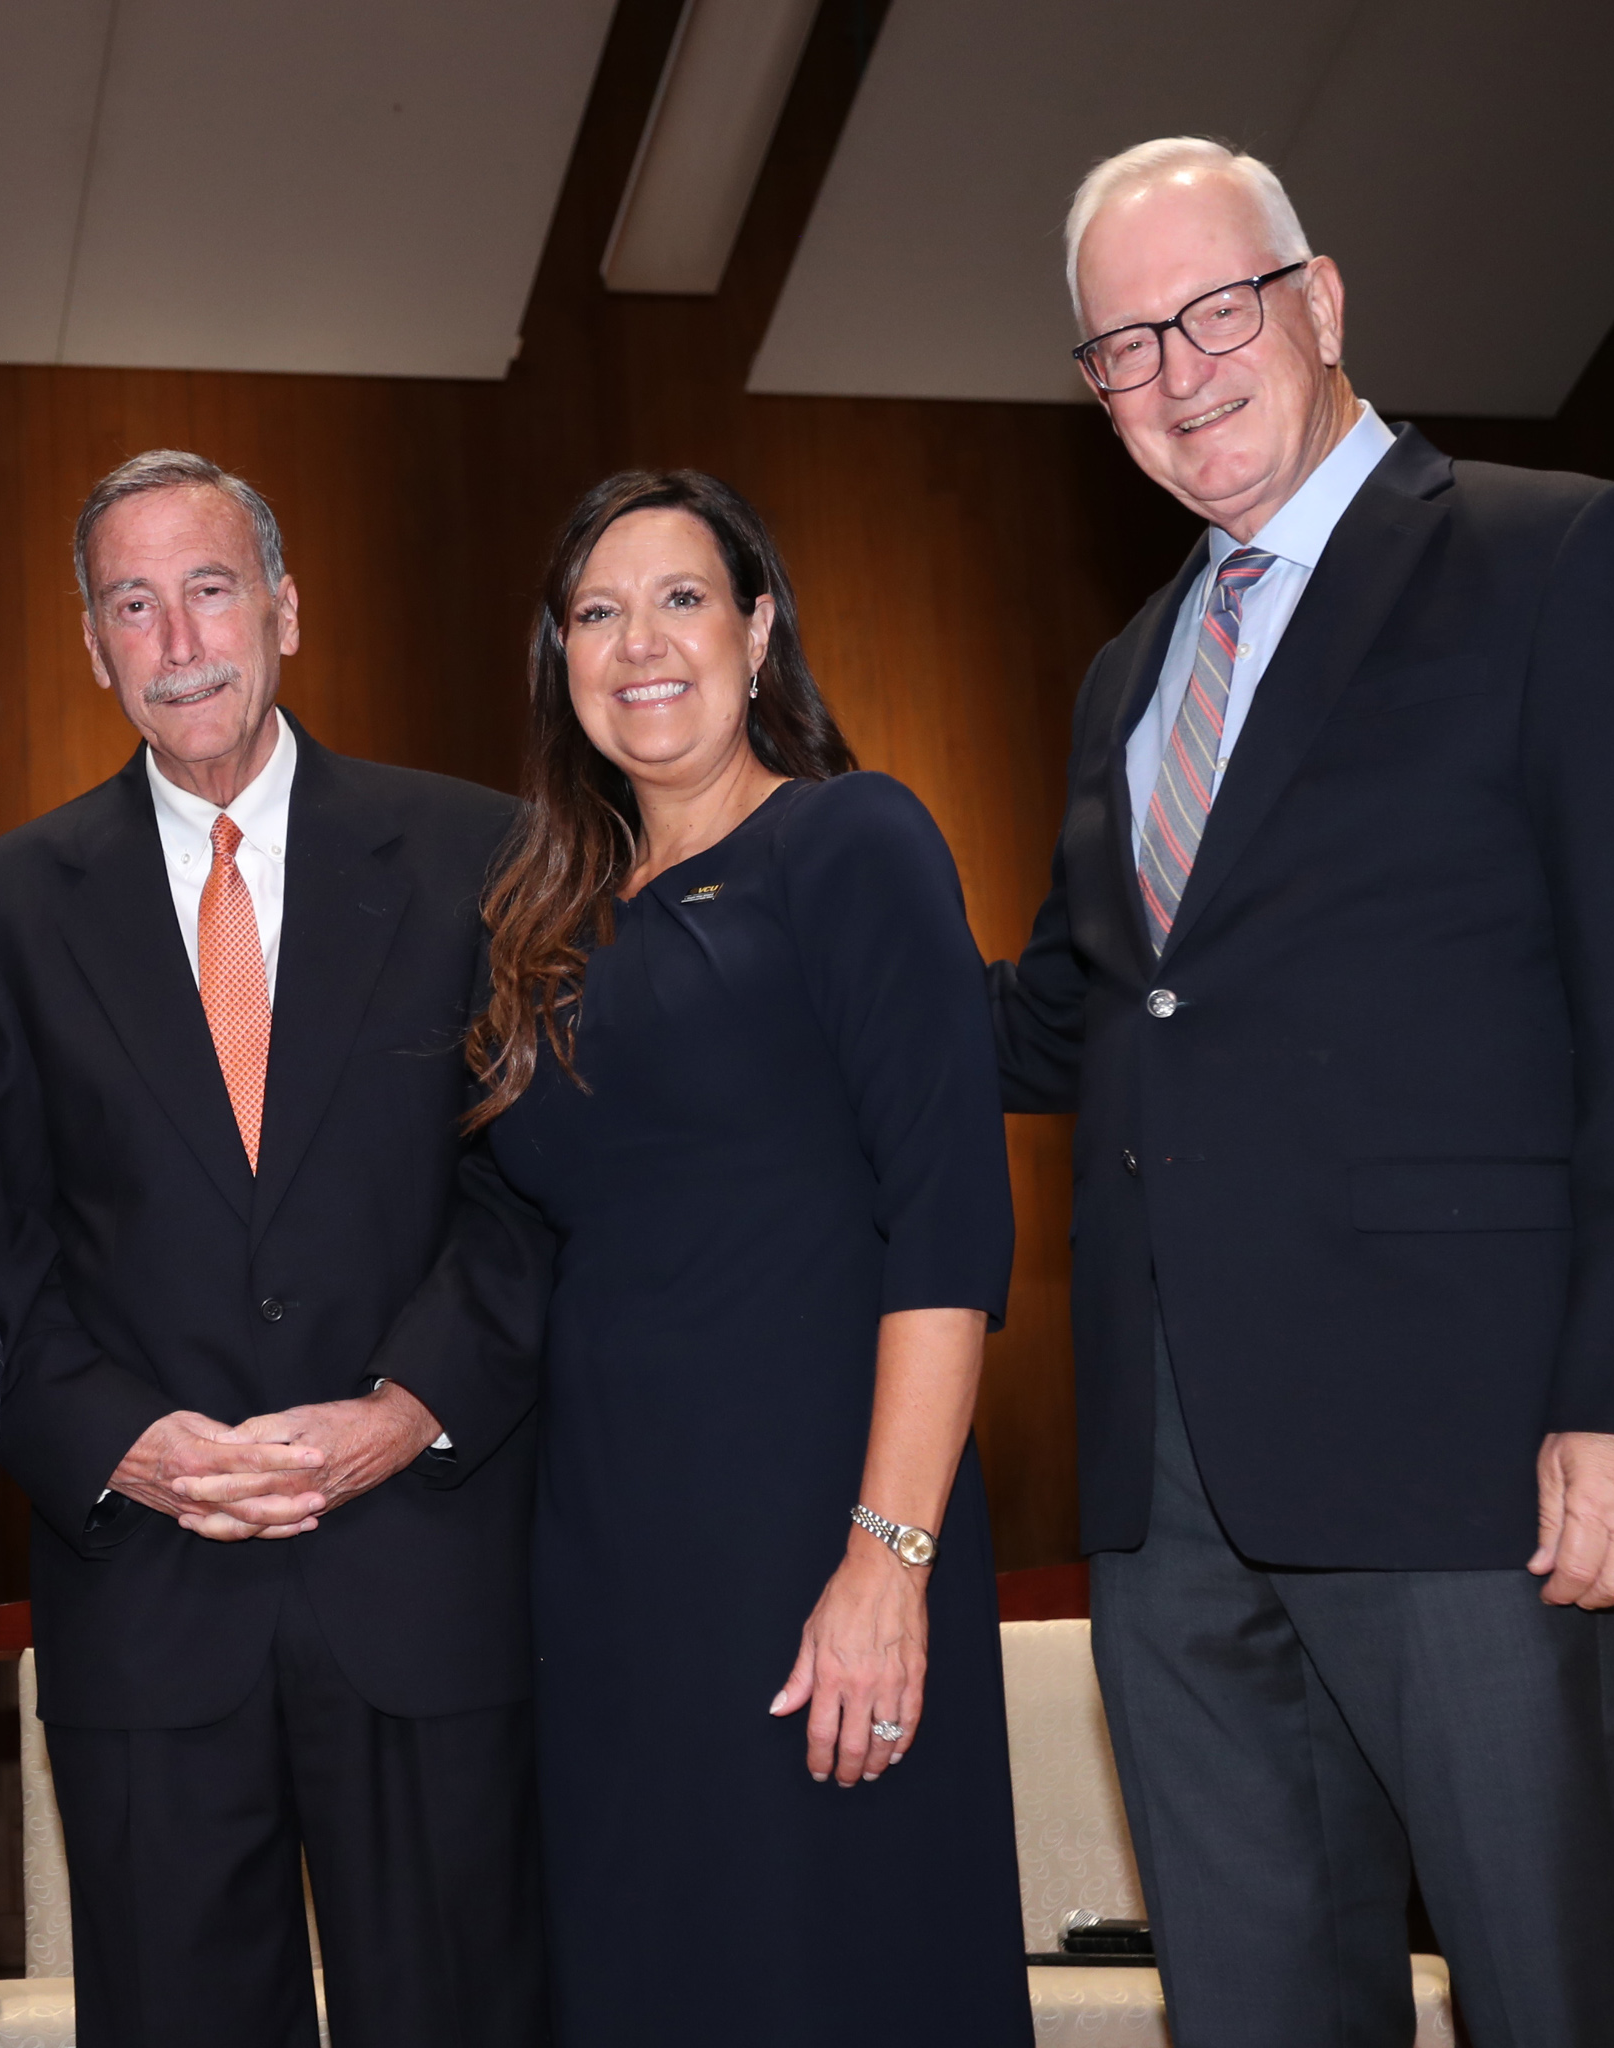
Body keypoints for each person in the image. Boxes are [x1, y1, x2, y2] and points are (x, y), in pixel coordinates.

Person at [991, 136, 1614, 2045]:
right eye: (1123, 343)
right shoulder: (1129, 674)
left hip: (1477, 1463)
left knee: (1557, 1990)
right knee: (1254, 2010)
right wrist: (756, 956)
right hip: (1173, 1491)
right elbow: (1101, 1009)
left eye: (1214, 308)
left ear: (1319, 303)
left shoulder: (1551, 551)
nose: (1177, 368)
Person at [0, 450, 550, 2048]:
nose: (179, 633)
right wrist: (117, 1443)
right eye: (131, 603)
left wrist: (408, 1407)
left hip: (425, 1572)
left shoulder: (478, 855)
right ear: (93, 646)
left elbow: (538, 1197)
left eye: (211, 587)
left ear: (285, 607)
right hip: (150, 1598)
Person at [468, 469, 1028, 2038]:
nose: (639, 641)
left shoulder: (853, 843)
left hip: (816, 1539)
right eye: (596, 611)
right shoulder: (540, 930)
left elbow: (950, 1226)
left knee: (831, 1965)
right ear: (557, 659)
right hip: (605, 1570)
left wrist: (885, 1562)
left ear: (759, 630)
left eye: (683, 598)